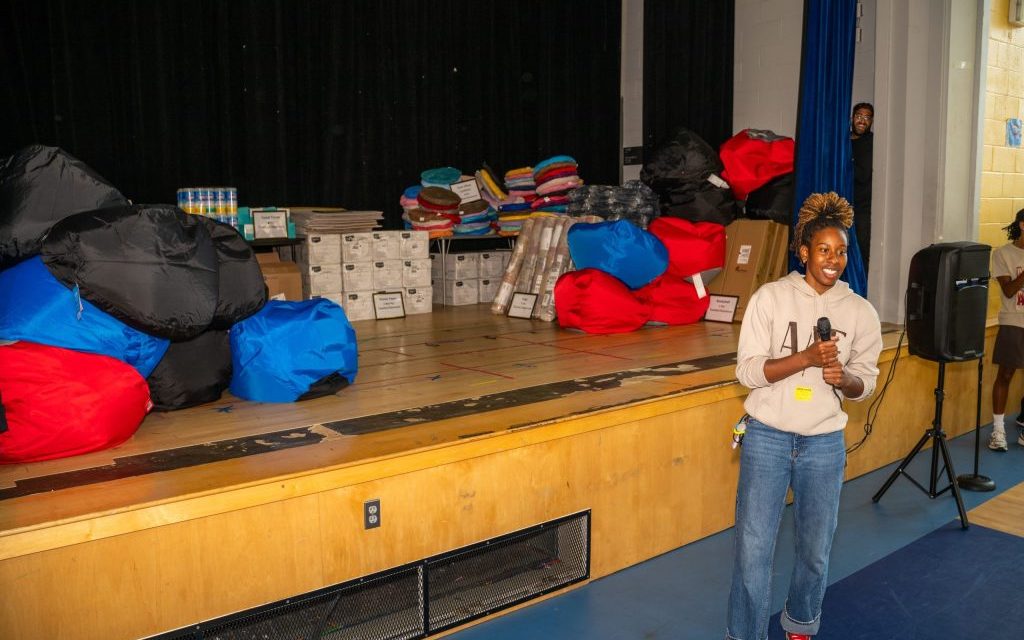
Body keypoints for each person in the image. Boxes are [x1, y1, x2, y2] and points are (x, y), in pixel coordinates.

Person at [726, 192, 882, 640]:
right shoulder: (769, 298)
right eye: (823, 250)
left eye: (841, 251)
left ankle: (801, 622)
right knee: (753, 551)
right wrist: (806, 358)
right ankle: (744, 634)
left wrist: (842, 379)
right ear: (804, 252)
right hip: (767, 438)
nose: (833, 259)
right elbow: (748, 372)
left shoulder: (861, 312)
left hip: (824, 445)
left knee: (815, 549)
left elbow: (864, 383)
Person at [988, 208, 1024, 451]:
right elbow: (1009, 290)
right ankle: (998, 431)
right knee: (1006, 375)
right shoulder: (1003, 254)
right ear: (1022, 225)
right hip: (1014, 320)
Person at [850, 102, 874, 276]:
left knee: (861, 250)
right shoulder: (843, 140)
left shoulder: (870, 142)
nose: (862, 121)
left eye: (867, 118)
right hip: (841, 205)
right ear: (852, 118)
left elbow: (863, 175)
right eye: (859, 116)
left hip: (862, 209)